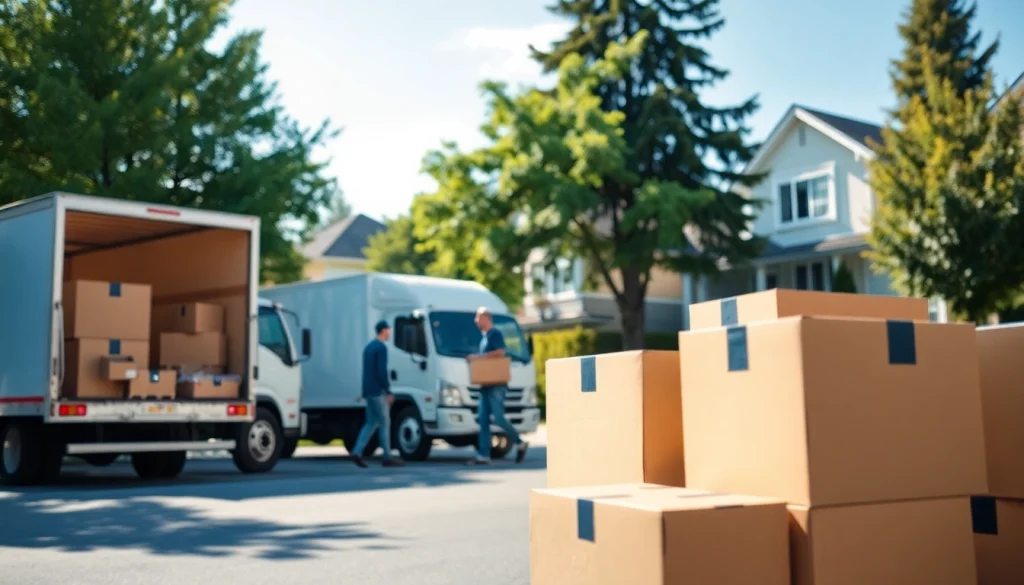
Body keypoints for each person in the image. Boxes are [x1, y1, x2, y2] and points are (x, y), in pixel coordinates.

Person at [466, 307, 529, 466]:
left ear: (485, 318)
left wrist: (478, 358)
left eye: (477, 317)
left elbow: (500, 352)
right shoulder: (485, 337)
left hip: (496, 385)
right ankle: (483, 455)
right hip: (486, 385)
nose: (475, 321)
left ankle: (519, 442)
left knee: (498, 417)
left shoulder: (495, 334)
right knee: (483, 419)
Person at [351, 320, 404, 468]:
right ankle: (387, 457)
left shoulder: (368, 347)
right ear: (384, 331)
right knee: (385, 422)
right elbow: (381, 372)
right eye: (388, 330)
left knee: (371, 422)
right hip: (378, 391)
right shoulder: (381, 347)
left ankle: (357, 451)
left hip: (368, 390)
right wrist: (388, 391)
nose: (390, 333)